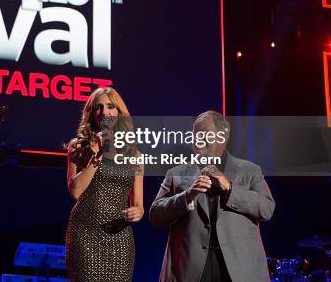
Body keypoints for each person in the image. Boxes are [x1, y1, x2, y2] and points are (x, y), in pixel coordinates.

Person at [149, 110, 275, 282]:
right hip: (190, 271)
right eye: (194, 134)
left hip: (238, 271)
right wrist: (187, 196)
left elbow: (266, 209)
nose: (197, 139)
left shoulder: (249, 170)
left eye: (203, 133)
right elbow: (155, 215)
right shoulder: (176, 173)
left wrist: (230, 188)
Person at [65, 87, 144, 282]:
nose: (105, 112)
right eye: (98, 108)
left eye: (110, 106)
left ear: (119, 112)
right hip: (85, 233)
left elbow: (139, 205)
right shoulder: (78, 146)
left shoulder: (135, 155)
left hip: (119, 235)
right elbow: (75, 191)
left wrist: (137, 213)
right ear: (92, 114)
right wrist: (98, 154)